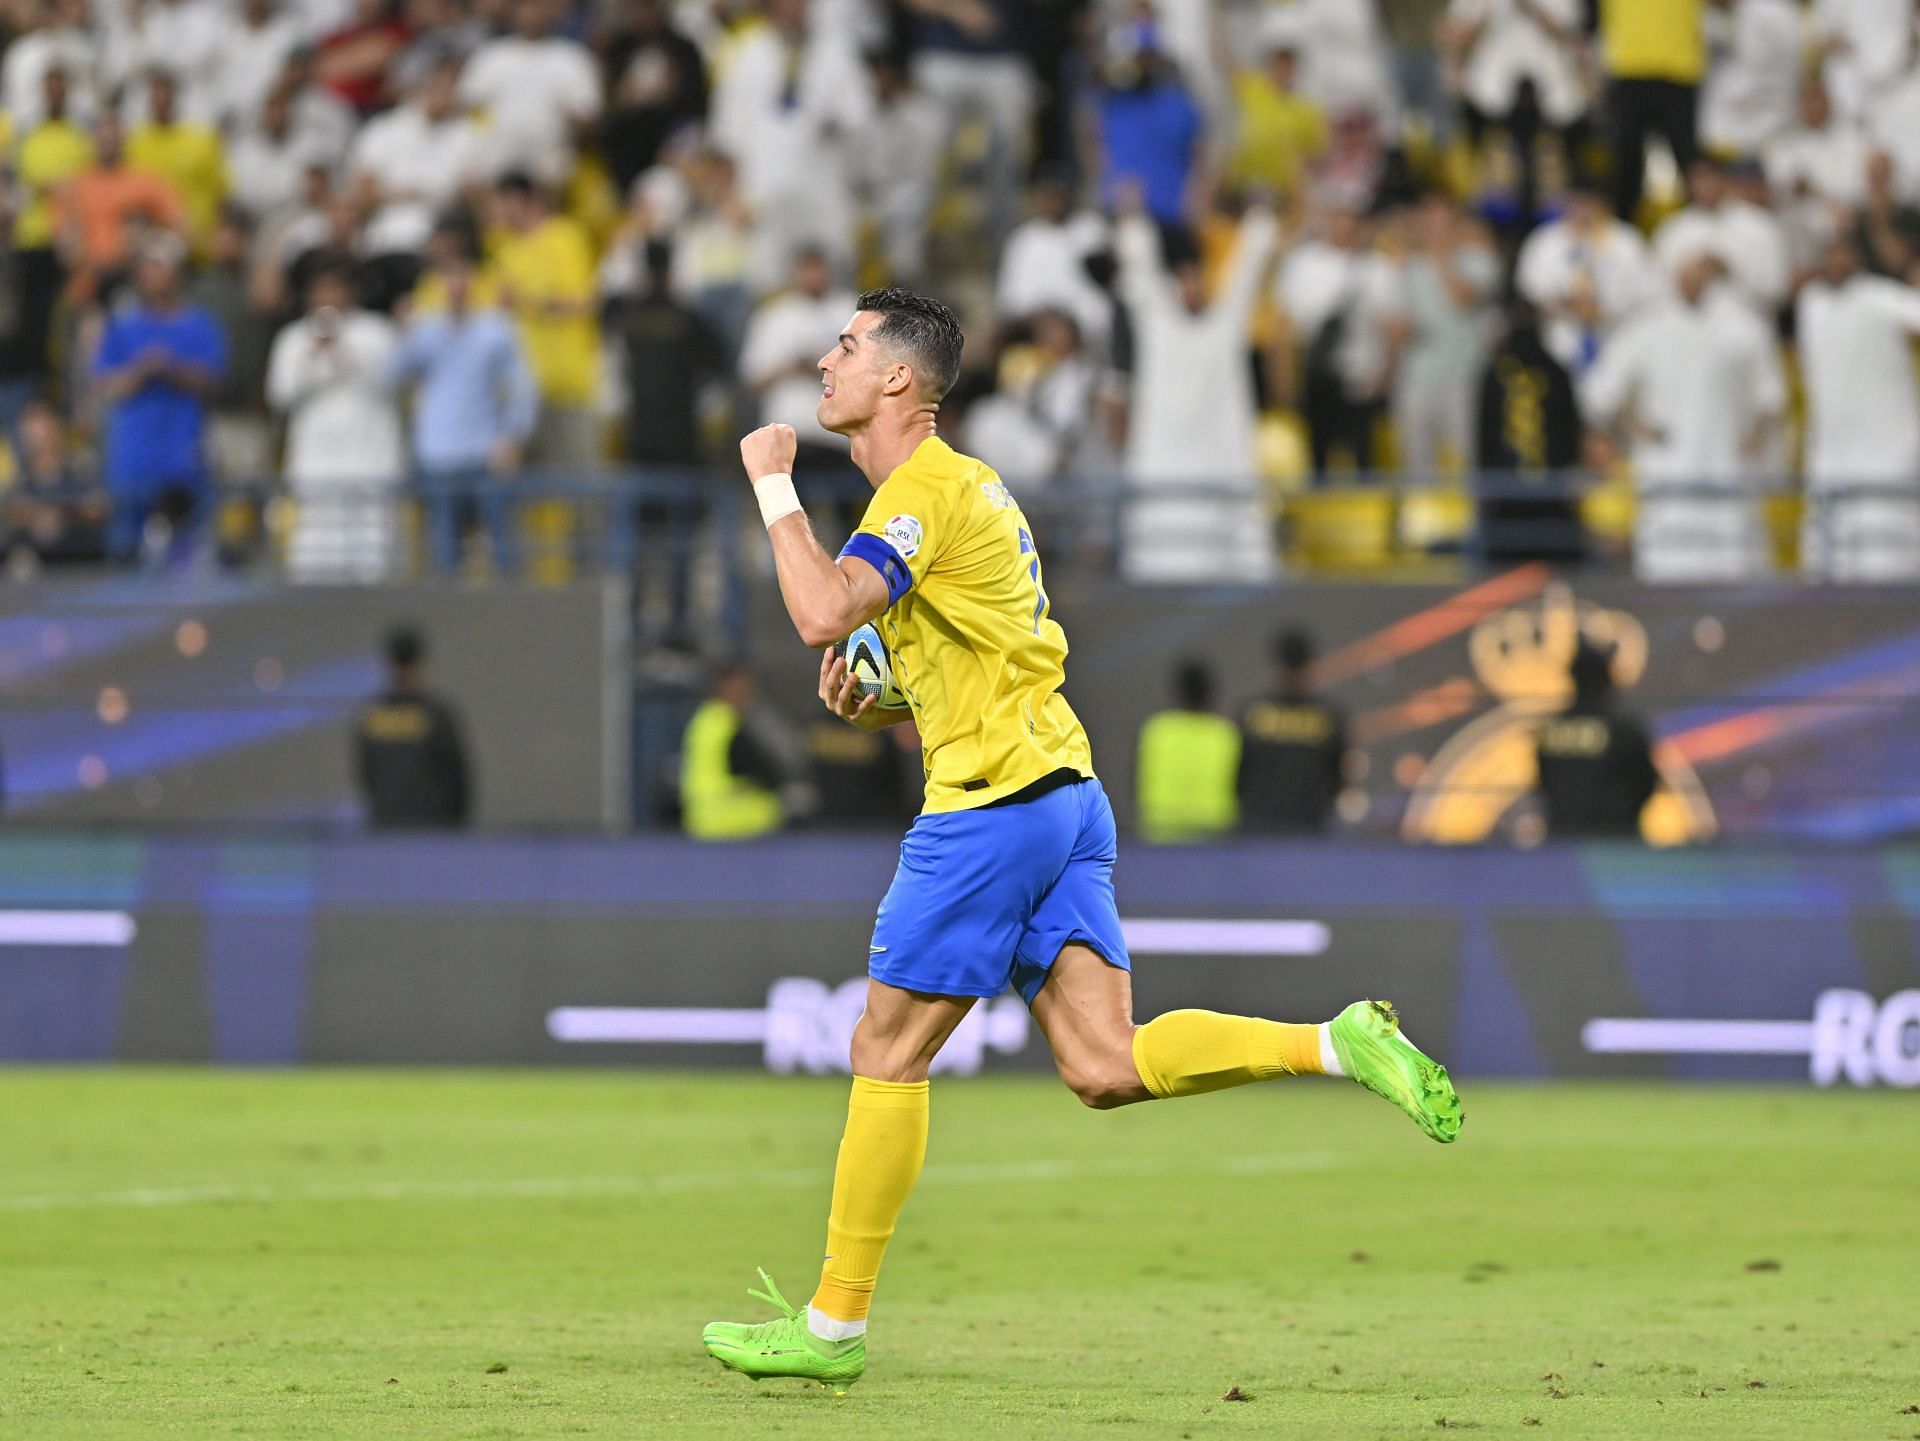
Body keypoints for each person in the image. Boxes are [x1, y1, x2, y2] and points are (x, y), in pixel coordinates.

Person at [700, 286, 1462, 1393]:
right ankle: (1335, 1041)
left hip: (990, 809)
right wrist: (889, 696)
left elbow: (823, 613)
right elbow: (981, 649)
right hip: (1063, 794)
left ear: (901, 382)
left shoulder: (922, 488)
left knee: (886, 1051)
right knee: (1105, 1066)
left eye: (849, 346)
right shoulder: (973, 491)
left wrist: (772, 482)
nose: (826, 361)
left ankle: (830, 1328)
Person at [1579, 253, 1784, 582]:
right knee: (1667, 563)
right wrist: (1633, 424)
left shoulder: (1742, 327)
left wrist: (1753, 436)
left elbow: (1770, 395)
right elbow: (1601, 392)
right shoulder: (1646, 327)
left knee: (1733, 562)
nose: (1692, 280)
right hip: (1667, 465)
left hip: (1726, 464)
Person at [1115, 197, 1279, 581]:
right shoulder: (1158, 328)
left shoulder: (1224, 330)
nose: (1192, 287)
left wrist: (1261, 223)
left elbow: (1246, 276)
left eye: (1198, 279)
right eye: (1183, 280)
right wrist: (1133, 220)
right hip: (1164, 476)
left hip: (1221, 468)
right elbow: (1141, 274)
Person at [384, 227, 538, 575]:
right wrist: (404, 333)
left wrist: (512, 437)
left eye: (462, 275)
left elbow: (522, 387)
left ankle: (512, 622)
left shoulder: (495, 329)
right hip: (439, 457)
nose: (456, 285)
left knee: (504, 554)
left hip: (485, 455)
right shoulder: (424, 330)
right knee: (445, 558)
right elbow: (390, 379)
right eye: (448, 277)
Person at [266, 263, 407, 581]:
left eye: (335, 288)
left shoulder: (376, 331)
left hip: (371, 463)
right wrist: (313, 356)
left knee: (373, 560)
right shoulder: (293, 338)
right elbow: (280, 393)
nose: (328, 296)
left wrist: (342, 351)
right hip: (316, 467)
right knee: (316, 560)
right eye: (321, 289)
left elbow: (388, 383)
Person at [92, 233, 227, 562]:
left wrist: (172, 369)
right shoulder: (122, 324)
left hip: (182, 458)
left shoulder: (201, 325)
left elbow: (212, 382)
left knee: (188, 554)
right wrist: (142, 370)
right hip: (132, 460)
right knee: (126, 552)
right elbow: (106, 385)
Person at [1794, 234, 1920, 580]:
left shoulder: (1880, 296)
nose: (1835, 260)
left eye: (1843, 252)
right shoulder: (1811, 303)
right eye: (1829, 252)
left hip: (1887, 447)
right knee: (1828, 559)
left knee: (1889, 552)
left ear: (1858, 258)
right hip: (1833, 447)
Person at [492, 172, 601, 468]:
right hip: (522, 388)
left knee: (579, 479)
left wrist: (526, 303)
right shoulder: (506, 250)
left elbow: (583, 302)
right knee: (522, 485)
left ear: (525, 200)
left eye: (504, 202)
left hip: (567, 383)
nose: (498, 211)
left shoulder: (565, 237)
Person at [1475, 300, 1585, 563]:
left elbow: (1483, 436)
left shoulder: (1497, 372)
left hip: (1521, 496)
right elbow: (1571, 433)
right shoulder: (1554, 371)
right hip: (1534, 496)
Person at [1533, 639, 1657, 838]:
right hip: (1616, 845)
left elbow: (1542, 784)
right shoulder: (1623, 730)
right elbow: (1646, 783)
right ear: (1605, 678)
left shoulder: (1550, 730)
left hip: (1564, 847)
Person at [354, 626, 472, 829]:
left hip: (386, 825)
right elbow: (457, 775)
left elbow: (366, 774)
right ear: (420, 663)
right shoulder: (435, 714)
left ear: (389, 664)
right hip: (433, 828)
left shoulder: (373, 716)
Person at [1599, 0, 1705, 220]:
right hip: (1629, 68)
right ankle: (1622, 231)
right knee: (1626, 161)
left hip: (1680, 69)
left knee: (1688, 160)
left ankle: (1701, 229)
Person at [1237, 630, 1347, 834]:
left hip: (1257, 831)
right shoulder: (1329, 717)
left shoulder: (1252, 714)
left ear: (1277, 665)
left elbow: (1237, 776)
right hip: (1309, 831)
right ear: (1310, 665)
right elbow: (1338, 779)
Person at [1135, 658, 1240, 842]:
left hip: (1160, 834)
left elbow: (1136, 778)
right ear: (1210, 693)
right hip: (1214, 836)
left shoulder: (1156, 731)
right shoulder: (1225, 734)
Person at [679, 664, 785, 840]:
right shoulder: (725, 724)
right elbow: (751, 766)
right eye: (741, 689)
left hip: (701, 819)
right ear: (722, 689)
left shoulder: (705, 719)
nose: (746, 696)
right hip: (730, 818)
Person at [2, 398, 108, 566]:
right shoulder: (18, 473)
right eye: (34, 432)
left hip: (80, 555)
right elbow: (12, 509)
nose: (42, 438)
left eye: (47, 429)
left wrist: (64, 514)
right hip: (32, 558)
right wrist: (38, 517)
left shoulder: (81, 465)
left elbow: (98, 507)